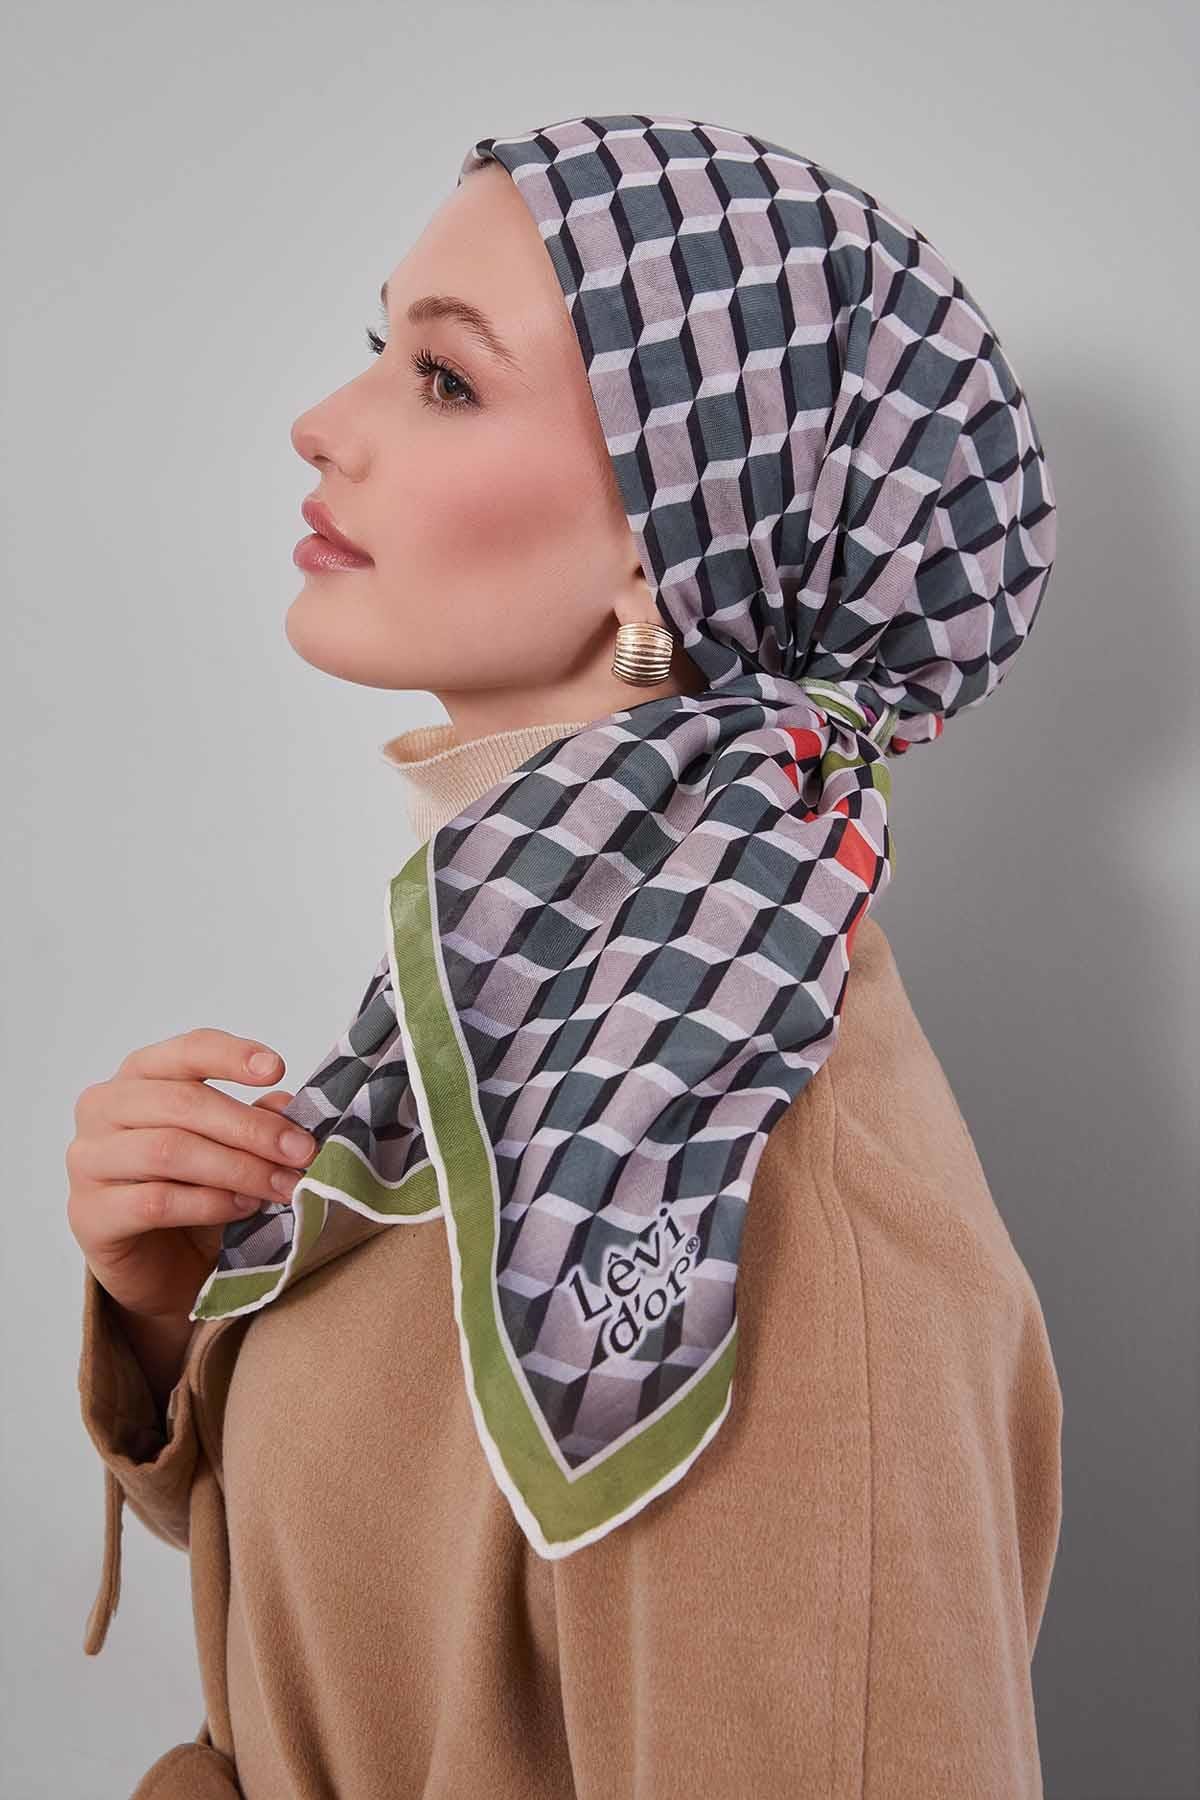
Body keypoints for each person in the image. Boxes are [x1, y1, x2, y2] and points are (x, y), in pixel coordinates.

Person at [68, 115, 1064, 1797]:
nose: (324, 424)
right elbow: (395, 1587)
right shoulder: (547, 1000)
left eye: (445, 381)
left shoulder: (756, 1213)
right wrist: (174, 1311)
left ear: (674, 538)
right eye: (380, 347)